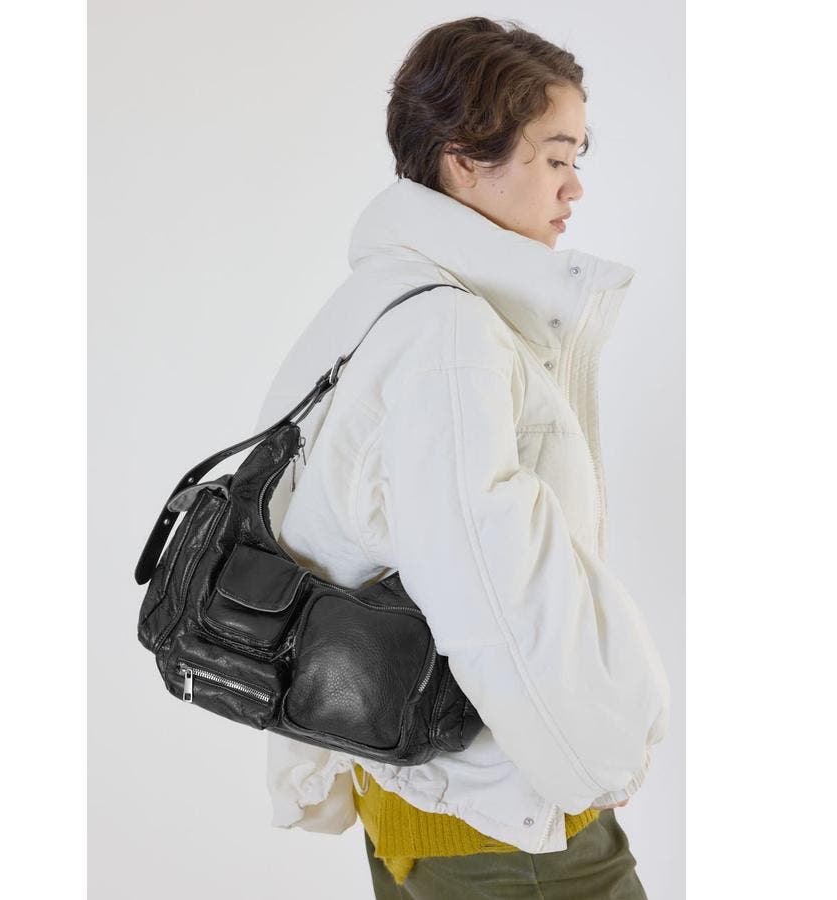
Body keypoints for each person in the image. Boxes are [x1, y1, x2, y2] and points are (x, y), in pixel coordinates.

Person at [252, 16, 670, 899]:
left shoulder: (377, 302)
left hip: (424, 805)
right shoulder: (449, 334)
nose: (575, 185)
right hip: (506, 829)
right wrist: (599, 758)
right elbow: (491, 586)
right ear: (464, 159)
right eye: (555, 157)